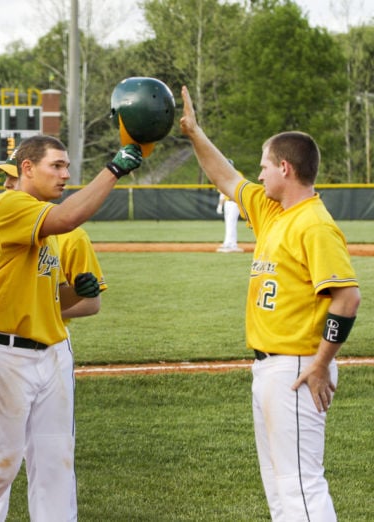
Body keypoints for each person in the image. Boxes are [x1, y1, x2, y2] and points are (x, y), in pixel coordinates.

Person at [179, 85, 360, 520]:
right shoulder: (271, 210)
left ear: (285, 167)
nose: (258, 176)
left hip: (297, 367)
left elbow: (347, 297)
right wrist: (193, 132)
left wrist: (320, 364)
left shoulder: (314, 224)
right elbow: (225, 176)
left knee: (300, 486)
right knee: (281, 489)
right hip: (269, 367)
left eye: (264, 167)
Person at [0, 134, 142, 521]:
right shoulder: (10, 204)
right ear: (27, 169)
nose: (65, 174)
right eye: (56, 166)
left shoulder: (48, 225)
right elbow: (68, 217)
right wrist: (113, 170)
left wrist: (74, 292)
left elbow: (49, 303)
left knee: (55, 463)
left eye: (66, 166)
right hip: (3, 353)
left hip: (51, 352)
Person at [215, 159, 244, 253]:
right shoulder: (223, 175)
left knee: (231, 223)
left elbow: (242, 188)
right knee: (228, 223)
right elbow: (222, 193)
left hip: (234, 202)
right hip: (227, 203)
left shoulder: (237, 174)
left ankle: (233, 245)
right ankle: (227, 242)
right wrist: (220, 205)